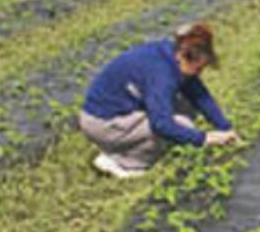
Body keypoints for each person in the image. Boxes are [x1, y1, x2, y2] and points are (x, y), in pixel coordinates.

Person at [78, 22, 240, 178]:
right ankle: (125, 164)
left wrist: (225, 128)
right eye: (198, 69)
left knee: (186, 105)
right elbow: (161, 124)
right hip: (101, 123)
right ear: (184, 58)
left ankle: (122, 149)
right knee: (182, 124)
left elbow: (199, 94)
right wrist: (204, 138)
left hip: (118, 114)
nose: (199, 74)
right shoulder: (161, 74)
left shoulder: (171, 53)